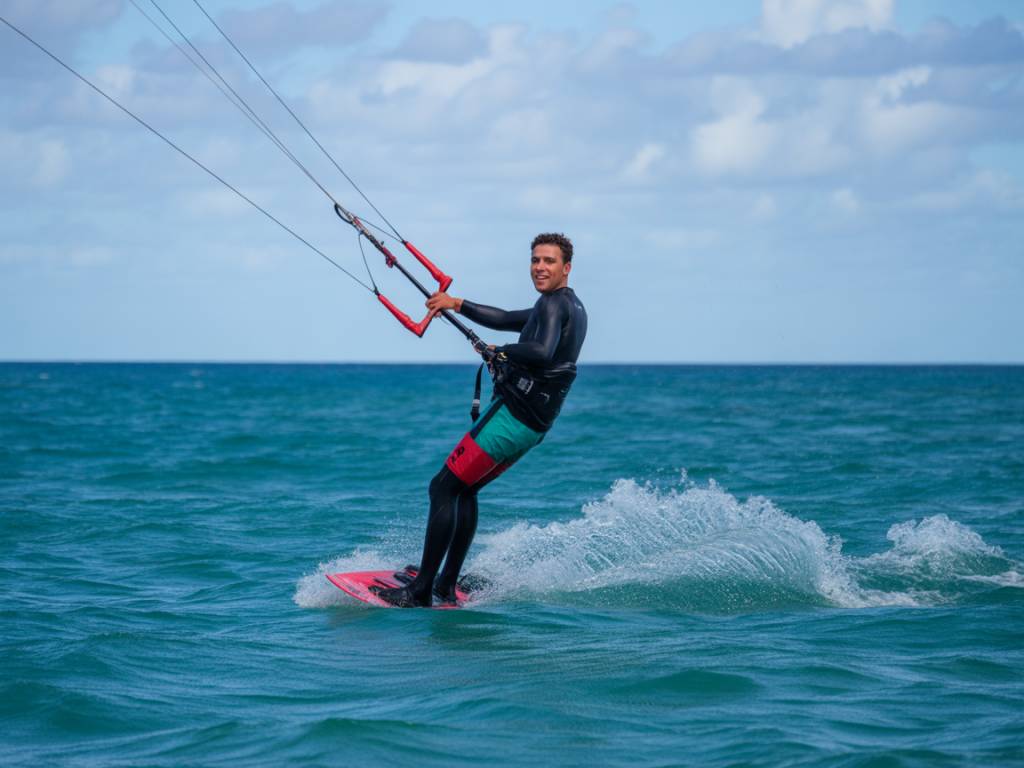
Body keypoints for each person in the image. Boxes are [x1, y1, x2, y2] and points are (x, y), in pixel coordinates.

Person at [374, 233, 588, 607]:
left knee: (443, 488)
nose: (540, 267)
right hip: (532, 424)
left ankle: (420, 590)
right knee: (464, 490)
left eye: (549, 261)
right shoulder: (567, 306)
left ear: (566, 267)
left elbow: (541, 351)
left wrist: (500, 352)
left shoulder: (554, 304)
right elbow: (505, 319)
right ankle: (444, 583)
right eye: (535, 260)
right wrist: (456, 304)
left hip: (513, 417)